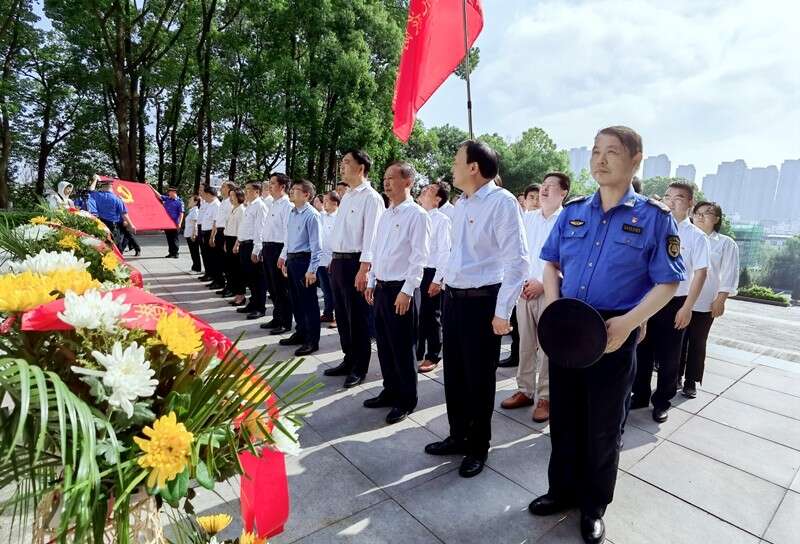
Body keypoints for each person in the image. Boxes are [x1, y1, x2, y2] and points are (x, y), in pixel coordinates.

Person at [529, 126, 685, 544]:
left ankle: (594, 505)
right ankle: (561, 490)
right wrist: (554, 308)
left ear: (635, 160)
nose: (600, 159)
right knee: (564, 417)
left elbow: (668, 282)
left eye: (611, 152)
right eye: (596, 151)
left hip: (614, 331)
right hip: (568, 326)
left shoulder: (654, 218)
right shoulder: (574, 211)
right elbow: (550, 263)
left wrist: (630, 322)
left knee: (603, 425)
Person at [424, 140, 528, 479]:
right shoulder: (462, 204)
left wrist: (502, 312)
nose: (452, 167)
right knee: (454, 375)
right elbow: (455, 253)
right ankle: (458, 435)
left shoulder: (502, 202)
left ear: (473, 167)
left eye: (457, 161)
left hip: (482, 303)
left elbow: (517, 262)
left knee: (479, 379)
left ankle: (478, 445)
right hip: (454, 299)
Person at [632, 180, 708, 422]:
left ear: (690, 203)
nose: (671, 202)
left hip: (676, 303)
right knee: (641, 350)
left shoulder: (696, 237)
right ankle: (640, 394)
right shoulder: (653, 228)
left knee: (669, 356)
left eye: (678, 198)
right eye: (668, 196)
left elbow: (700, 274)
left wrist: (687, 308)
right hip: (648, 299)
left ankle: (662, 401)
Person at [363, 162, 431, 424]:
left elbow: (419, 257)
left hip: (401, 290)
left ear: (408, 182)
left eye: (392, 178)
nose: (386, 182)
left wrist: (407, 290)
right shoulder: (386, 214)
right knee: (384, 345)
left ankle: (406, 399)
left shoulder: (417, 215)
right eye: (385, 178)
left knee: (403, 347)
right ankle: (390, 390)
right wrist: (371, 280)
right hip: (382, 287)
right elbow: (377, 251)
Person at [501, 173, 569, 423]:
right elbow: (517, 253)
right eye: (544, 185)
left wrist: (543, 283)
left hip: (550, 292)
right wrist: (520, 282)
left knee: (548, 347)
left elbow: (569, 260)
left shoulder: (568, 221)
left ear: (563, 193)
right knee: (525, 343)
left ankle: (546, 397)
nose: (544, 190)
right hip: (524, 290)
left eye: (551, 186)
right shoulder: (528, 218)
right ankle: (525, 390)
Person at [323, 149, 385, 388]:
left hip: (356, 262)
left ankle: (359, 367)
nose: (342, 166)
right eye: (342, 162)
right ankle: (348, 359)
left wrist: (365, 268)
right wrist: (333, 258)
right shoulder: (347, 196)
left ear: (361, 168)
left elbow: (372, 236)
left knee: (358, 317)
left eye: (347, 162)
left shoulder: (371, 198)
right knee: (342, 315)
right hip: (339, 261)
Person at [679, 201, 739, 398]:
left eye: (707, 213)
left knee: (697, 342)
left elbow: (729, 274)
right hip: (680, 299)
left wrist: (721, 300)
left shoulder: (725, 243)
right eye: (697, 212)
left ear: (717, 219)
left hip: (705, 303)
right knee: (677, 342)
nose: (700, 216)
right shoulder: (684, 236)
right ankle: (674, 376)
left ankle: (691, 381)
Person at [278, 180, 323, 356]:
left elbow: (317, 246)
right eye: (292, 189)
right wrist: (285, 257)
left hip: (305, 261)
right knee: (296, 300)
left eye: (296, 190)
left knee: (308, 303)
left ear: (306, 195)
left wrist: (312, 270)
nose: (291, 191)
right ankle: (301, 332)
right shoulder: (292, 212)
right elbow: (288, 238)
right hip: (293, 260)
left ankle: (312, 340)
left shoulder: (312, 215)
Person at [416, 182, 452, 373]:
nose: (424, 191)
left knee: (431, 316)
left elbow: (444, 252)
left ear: (438, 199)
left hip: (431, 272)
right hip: (416, 271)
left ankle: (433, 355)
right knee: (418, 314)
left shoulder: (442, 220)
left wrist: (437, 279)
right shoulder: (417, 216)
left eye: (429, 190)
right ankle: (418, 351)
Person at [254, 173, 293, 326]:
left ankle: (285, 321)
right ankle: (277, 318)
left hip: (279, 248)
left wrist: (283, 255)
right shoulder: (273, 204)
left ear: (282, 186)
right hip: (268, 248)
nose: (269, 186)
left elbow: (288, 233)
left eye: (272, 183)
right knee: (272, 287)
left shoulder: (287, 206)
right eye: (269, 183)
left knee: (281, 287)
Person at [236, 182, 269, 314]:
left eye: (249, 190)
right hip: (245, 244)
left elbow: (260, 229)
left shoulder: (260, 206)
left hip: (252, 245)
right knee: (250, 278)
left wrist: (257, 249)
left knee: (257, 279)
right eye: (245, 189)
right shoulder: (250, 205)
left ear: (257, 192)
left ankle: (259, 307)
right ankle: (253, 303)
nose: (246, 192)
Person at [87, 177, 138, 254]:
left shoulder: (97, 195)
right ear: (110, 186)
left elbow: (90, 190)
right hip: (113, 226)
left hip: (101, 224)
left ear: (102, 186)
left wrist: (95, 180)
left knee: (103, 244)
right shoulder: (117, 199)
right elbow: (124, 214)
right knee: (116, 246)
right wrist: (131, 225)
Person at [318, 191, 340, 326]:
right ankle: (327, 313)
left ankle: (339, 316)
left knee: (336, 290)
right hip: (321, 259)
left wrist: (333, 258)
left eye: (327, 200)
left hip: (334, 259)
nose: (324, 203)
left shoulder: (340, 218)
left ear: (335, 202)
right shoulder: (320, 216)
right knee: (325, 289)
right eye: (324, 200)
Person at [209, 182, 234, 291]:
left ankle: (229, 286)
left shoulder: (230, 202)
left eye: (223, 187)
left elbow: (229, 221)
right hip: (219, 231)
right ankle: (219, 281)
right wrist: (213, 235)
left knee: (226, 262)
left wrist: (225, 237)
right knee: (218, 259)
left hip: (225, 232)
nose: (221, 188)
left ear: (229, 189)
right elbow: (217, 220)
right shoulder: (223, 201)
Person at [223, 188, 246, 303]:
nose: (231, 198)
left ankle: (241, 295)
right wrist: (225, 242)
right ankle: (236, 293)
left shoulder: (242, 210)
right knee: (231, 269)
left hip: (236, 240)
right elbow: (227, 226)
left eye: (233, 195)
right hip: (229, 239)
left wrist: (237, 243)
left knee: (237, 270)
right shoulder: (232, 209)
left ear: (239, 196)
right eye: (230, 195)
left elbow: (241, 229)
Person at [198, 185, 222, 286]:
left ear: (209, 194)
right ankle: (212, 277)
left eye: (205, 195)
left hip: (211, 233)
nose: (204, 197)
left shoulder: (216, 205)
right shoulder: (210, 204)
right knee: (208, 257)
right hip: (205, 232)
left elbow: (215, 222)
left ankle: (217, 279)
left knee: (213, 258)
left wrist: (212, 237)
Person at [160, 187, 184, 258]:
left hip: (175, 223)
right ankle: (171, 253)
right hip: (167, 223)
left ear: (174, 192)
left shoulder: (180, 202)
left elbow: (181, 213)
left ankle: (176, 253)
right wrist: (150, 187)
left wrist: (179, 223)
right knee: (169, 238)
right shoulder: (167, 199)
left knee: (174, 238)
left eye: (170, 192)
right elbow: (159, 195)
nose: (168, 193)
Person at [184, 196, 202, 273]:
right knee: (193, 252)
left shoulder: (195, 211)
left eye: (190, 200)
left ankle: (197, 268)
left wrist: (194, 234)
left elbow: (195, 223)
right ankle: (195, 267)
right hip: (189, 234)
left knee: (195, 252)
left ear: (195, 202)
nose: (189, 201)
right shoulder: (192, 210)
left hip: (192, 235)